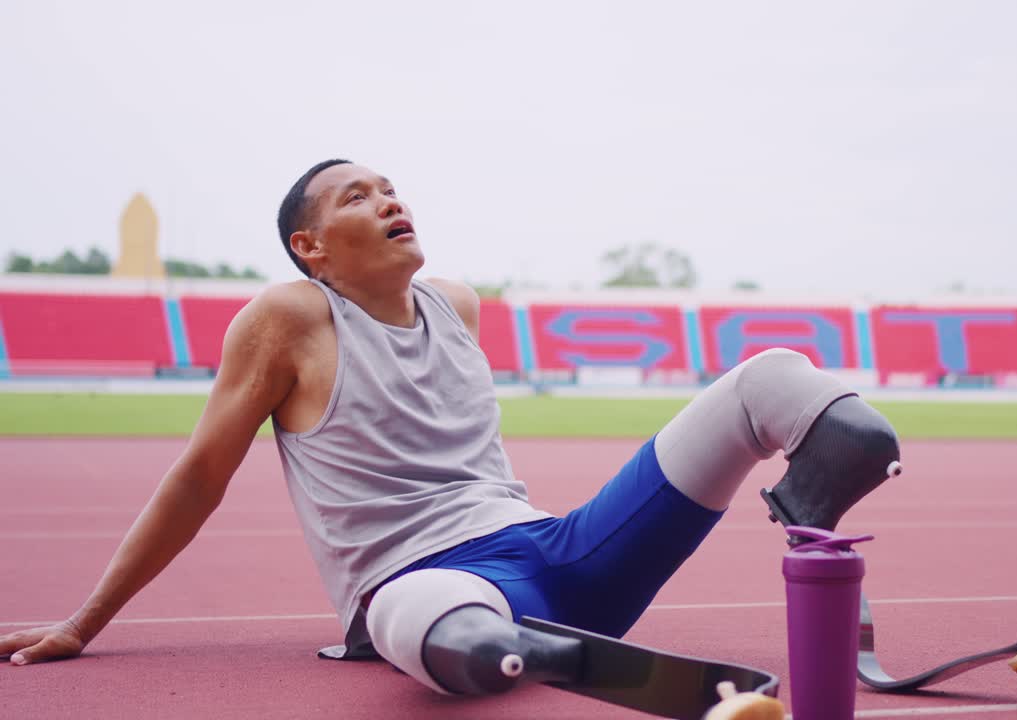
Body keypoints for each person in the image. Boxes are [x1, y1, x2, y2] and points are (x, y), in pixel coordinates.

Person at [0, 160, 901, 699]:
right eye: (358, 197)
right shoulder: (289, 317)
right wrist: (85, 620)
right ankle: (521, 655)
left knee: (780, 382)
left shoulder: (459, 305)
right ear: (311, 248)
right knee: (445, 625)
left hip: (563, 550)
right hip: (417, 583)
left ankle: (815, 533)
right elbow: (200, 474)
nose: (392, 201)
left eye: (393, 188)